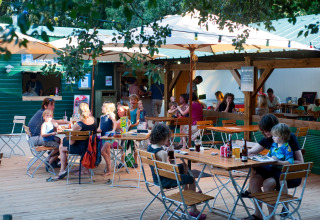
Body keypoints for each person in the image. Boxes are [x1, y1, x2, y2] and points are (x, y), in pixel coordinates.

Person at [242, 114, 304, 220]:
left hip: (287, 173)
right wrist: (247, 152)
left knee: (268, 183)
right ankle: (258, 214)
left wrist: (279, 162)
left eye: (268, 130)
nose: (266, 133)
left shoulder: (289, 138)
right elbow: (252, 151)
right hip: (273, 170)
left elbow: (300, 162)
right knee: (253, 182)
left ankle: (272, 218)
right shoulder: (269, 138)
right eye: (264, 131)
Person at [147, 123, 206, 220]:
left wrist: (168, 156)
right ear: (163, 137)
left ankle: (188, 194)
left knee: (184, 166)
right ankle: (193, 209)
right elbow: (170, 171)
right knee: (191, 179)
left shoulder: (151, 148)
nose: (168, 140)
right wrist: (172, 161)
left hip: (157, 177)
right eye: (167, 137)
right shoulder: (162, 153)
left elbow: (164, 168)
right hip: (164, 180)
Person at [58, 102, 97, 179]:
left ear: (79, 112)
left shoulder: (78, 125)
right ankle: (83, 167)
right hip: (91, 147)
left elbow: (72, 142)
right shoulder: (94, 120)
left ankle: (62, 170)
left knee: (62, 147)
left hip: (81, 148)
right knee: (64, 141)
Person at [97, 102, 117, 177]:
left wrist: (113, 130)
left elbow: (114, 122)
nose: (101, 108)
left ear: (107, 108)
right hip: (103, 136)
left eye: (103, 107)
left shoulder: (110, 115)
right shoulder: (102, 116)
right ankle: (109, 170)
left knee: (102, 151)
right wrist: (97, 130)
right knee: (107, 153)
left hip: (109, 136)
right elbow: (99, 127)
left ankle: (108, 164)